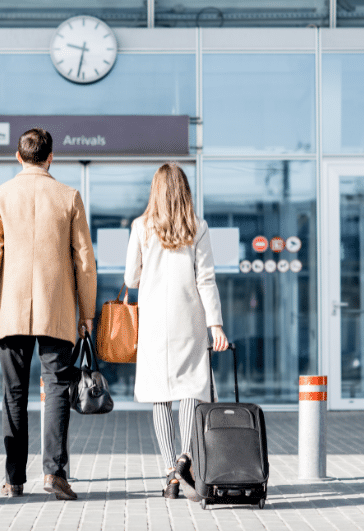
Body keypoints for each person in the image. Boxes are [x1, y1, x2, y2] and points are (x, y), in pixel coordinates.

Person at [0, 128, 97, 500]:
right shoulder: (68, 196)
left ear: (18, 156)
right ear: (51, 157)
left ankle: (14, 479)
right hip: (56, 309)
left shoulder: (1, 195)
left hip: (11, 311)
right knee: (57, 388)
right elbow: (84, 261)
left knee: (14, 394)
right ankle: (54, 473)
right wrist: (87, 312)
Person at [124, 162, 228, 500]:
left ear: (155, 191)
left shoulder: (141, 227)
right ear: (184, 191)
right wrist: (216, 325)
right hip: (190, 318)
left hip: (154, 322)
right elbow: (206, 280)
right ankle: (186, 459)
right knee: (189, 390)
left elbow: (130, 279)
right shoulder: (197, 227)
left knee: (160, 394)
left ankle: (171, 474)